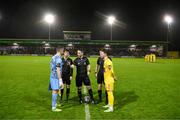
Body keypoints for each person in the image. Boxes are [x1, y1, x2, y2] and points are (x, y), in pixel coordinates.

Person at [49, 47, 64, 112]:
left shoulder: (53, 57)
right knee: (55, 91)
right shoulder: (58, 59)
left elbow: (50, 65)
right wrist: (60, 80)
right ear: (60, 50)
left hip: (53, 75)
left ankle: (55, 104)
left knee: (56, 90)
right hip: (56, 77)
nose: (63, 51)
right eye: (63, 50)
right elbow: (58, 69)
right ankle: (53, 107)